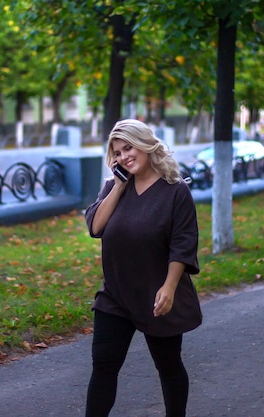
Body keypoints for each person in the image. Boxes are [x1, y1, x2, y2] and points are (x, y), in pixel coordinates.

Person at [84, 119, 202, 417]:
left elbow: (183, 242)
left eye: (129, 147)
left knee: (169, 366)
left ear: (146, 145)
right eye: (117, 152)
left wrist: (170, 287)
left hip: (156, 295)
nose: (124, 156)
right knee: (104, 365)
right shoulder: (114, 188)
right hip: (116, 296)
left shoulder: (175, 191)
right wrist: (120, 185)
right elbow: (96, 226)